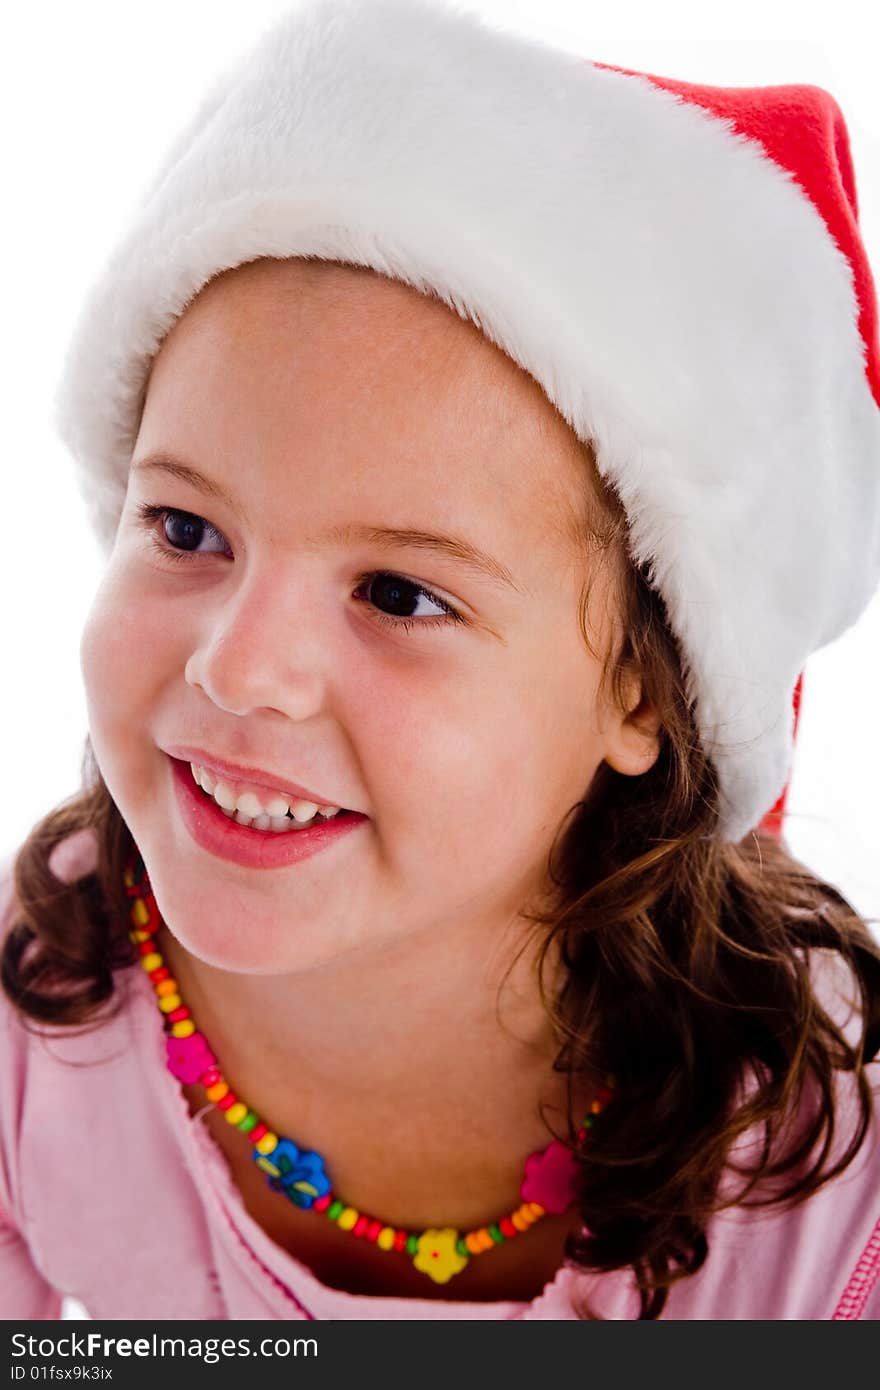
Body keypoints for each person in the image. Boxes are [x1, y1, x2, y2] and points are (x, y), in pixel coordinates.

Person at [2, 0, 879, 1321]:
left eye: (400, 592)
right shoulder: (42, 1024)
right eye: (187, 526)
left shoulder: (827, 1160)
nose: (242, 672)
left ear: (646, 687)